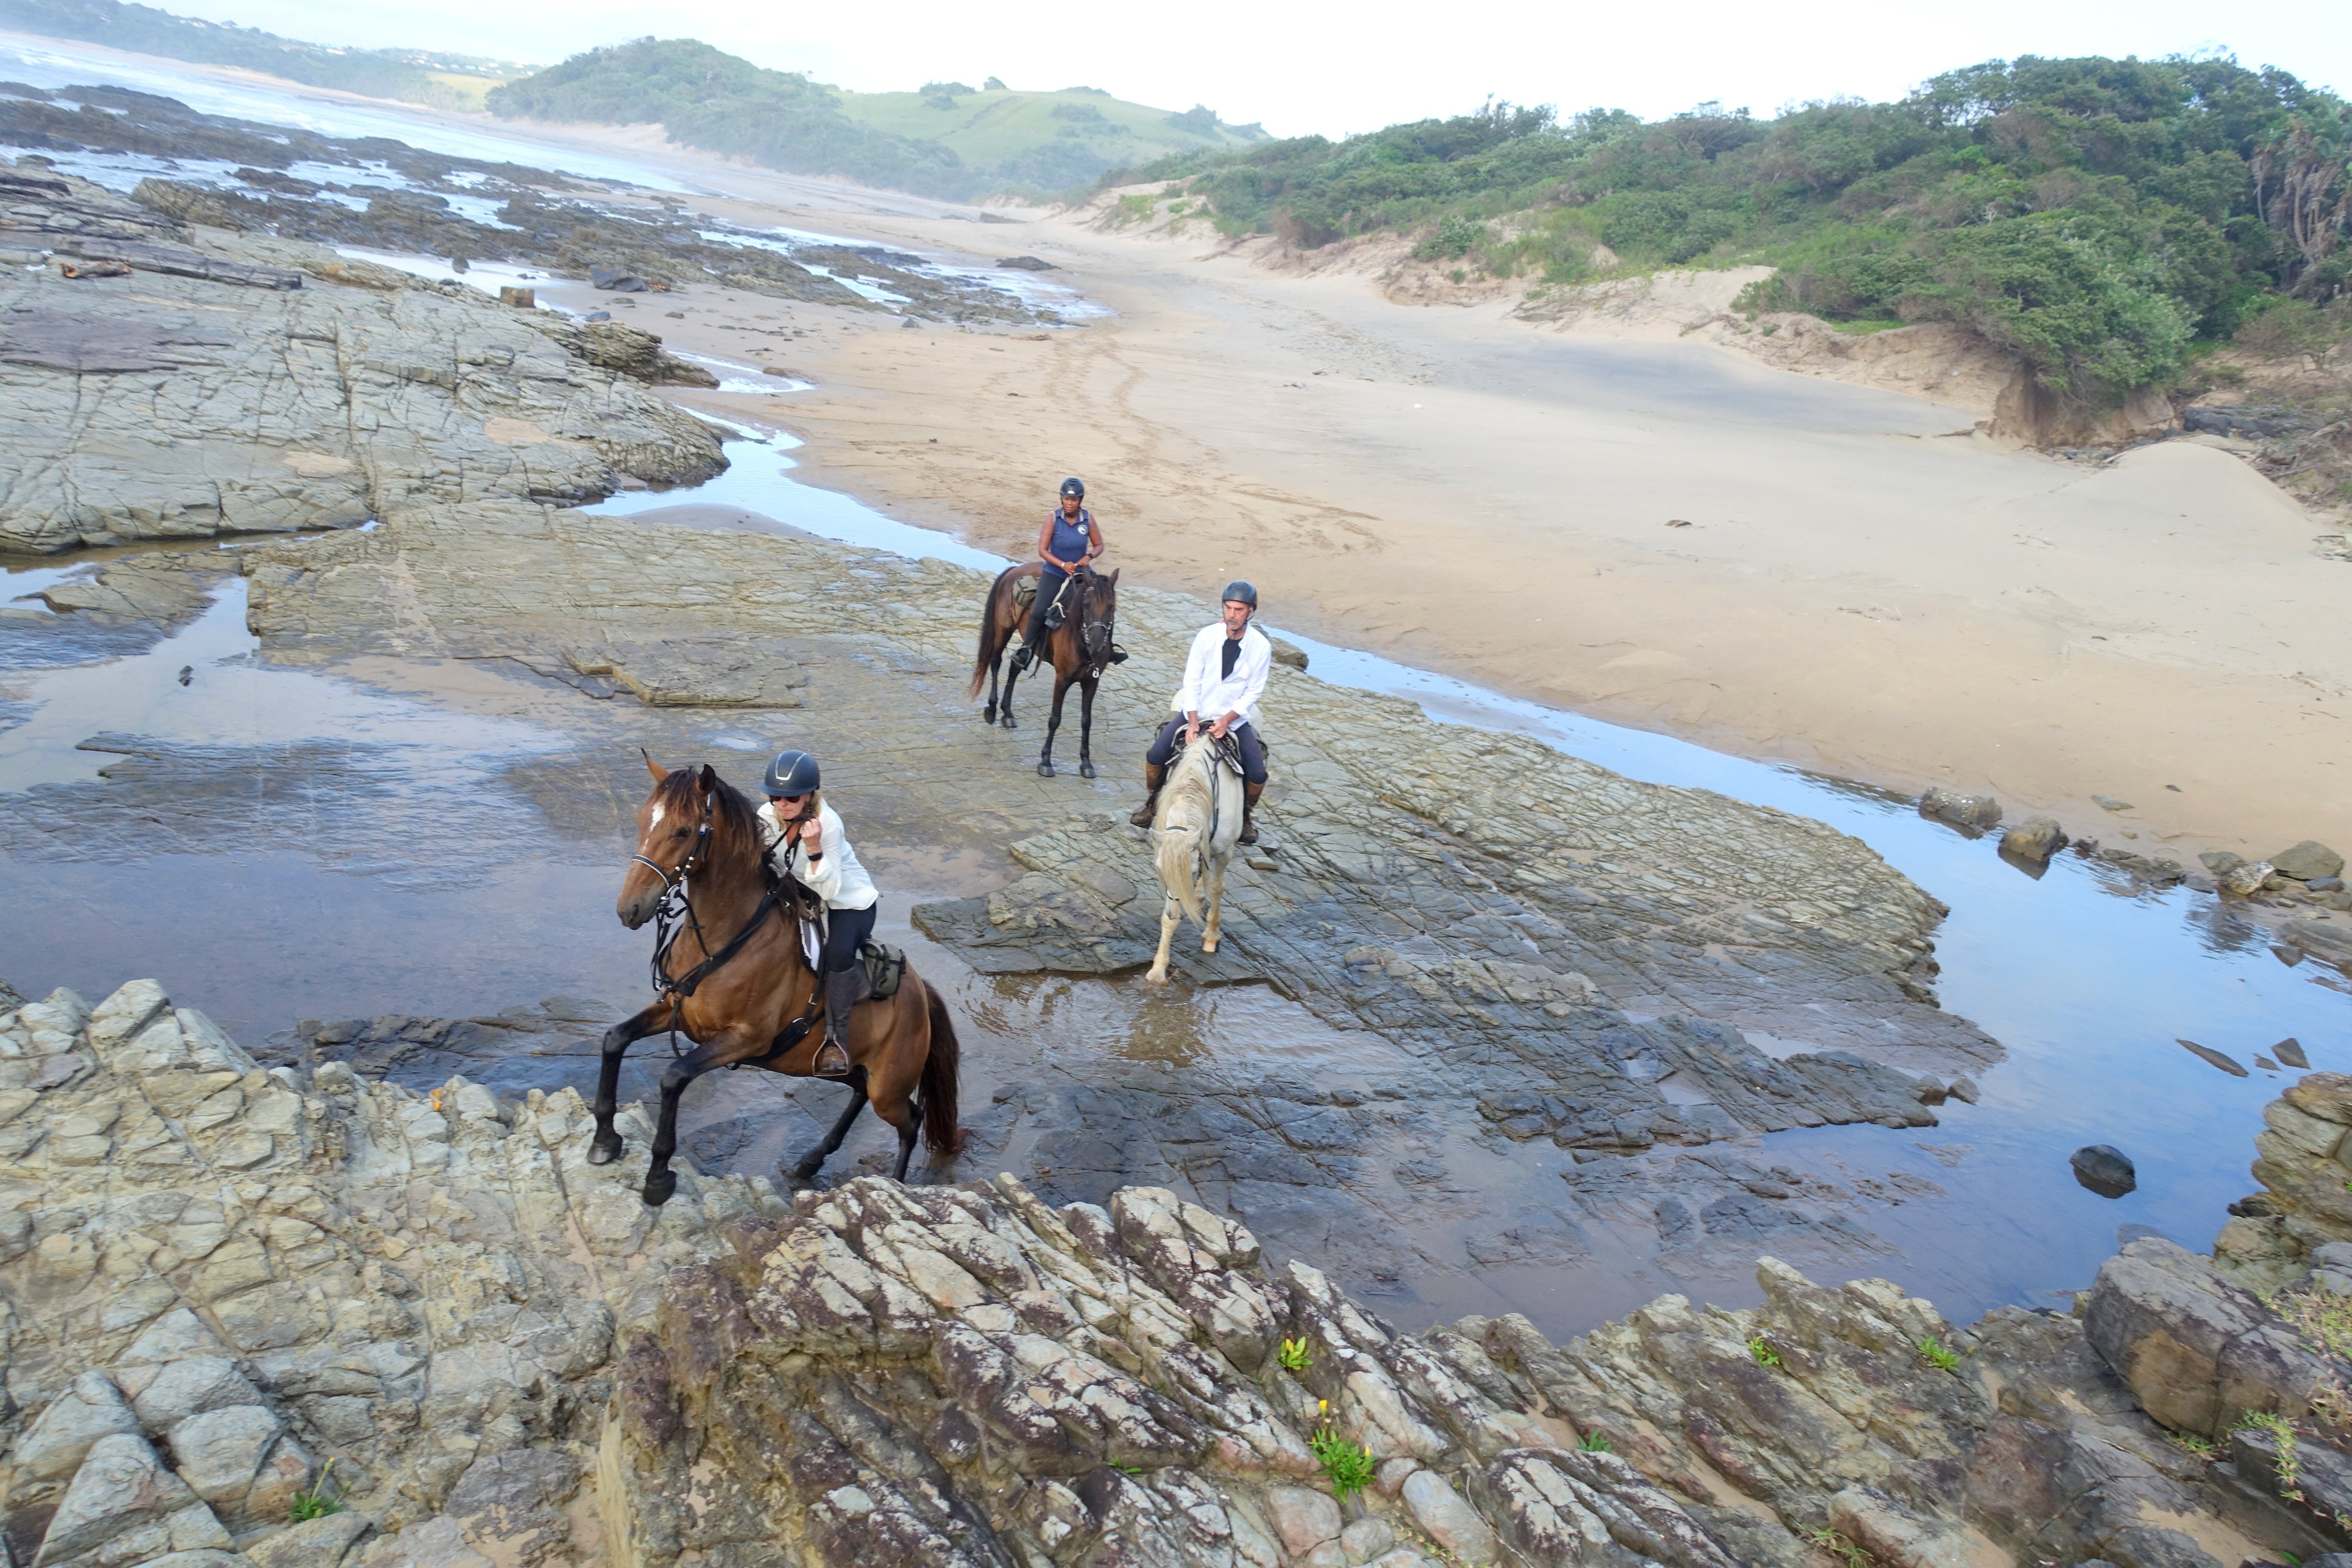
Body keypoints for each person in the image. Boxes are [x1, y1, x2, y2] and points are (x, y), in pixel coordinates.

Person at [756, 748, 879, 1078]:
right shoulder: (766, 816)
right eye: (775, 796)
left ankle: (836, 1041)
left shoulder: (828, 823)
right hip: (801, 896)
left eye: (791, 798)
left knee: (837, 955)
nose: (782, 804)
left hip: (848, 902)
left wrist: (814, 850)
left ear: (809, 796)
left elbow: (831, 890)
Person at [1131, 580, 1270, 842]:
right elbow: (1192, 681)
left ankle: (1245, 816)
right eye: (1228, 608)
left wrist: (1227, 720)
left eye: (1239, 610)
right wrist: (1193, 721)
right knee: (1157, 753)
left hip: (1235, 721)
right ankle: (1151, 802)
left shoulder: (1261, 647)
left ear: (1251, 612)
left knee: (1257, 772)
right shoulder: (1207, 637)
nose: (1232, 615)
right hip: (1196, 712)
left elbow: (1254, 691)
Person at [1009, 477, 1106, 675]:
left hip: (1081, 573)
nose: (1070, 504)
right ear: (1062, 499)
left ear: (1081, 501)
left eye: (1074, 500)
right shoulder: (1053, 518)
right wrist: (1062, 565)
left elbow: (1099, 545)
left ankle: (1108, 649)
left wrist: (1089, 556)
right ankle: (1027, 649)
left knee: (1102, 603)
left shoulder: (1088, 519)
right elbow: (1043, 550)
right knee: (1038, 611)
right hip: (1055, 573)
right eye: (1066, 499)